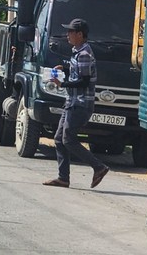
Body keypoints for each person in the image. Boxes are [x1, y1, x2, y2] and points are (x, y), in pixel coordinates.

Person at [43, 18, 109, 189]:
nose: (67, 35)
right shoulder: (77, 51)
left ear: (80, 34)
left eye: (71, 32)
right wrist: (63, 70)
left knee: (68, 139)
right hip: (71, 101)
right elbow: (77, 73)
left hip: (80, 104)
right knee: (59, 139)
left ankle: (99, 167)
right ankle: (63, 178)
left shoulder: (85, 54)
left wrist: (62, 84)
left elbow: (84, 81)